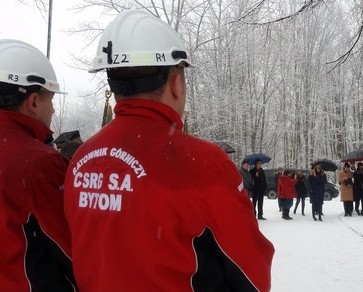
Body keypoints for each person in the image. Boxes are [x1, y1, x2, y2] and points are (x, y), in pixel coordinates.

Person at [63, 10, 274, 291]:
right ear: (176, 84)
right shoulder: (204, 163)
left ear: (114, 87)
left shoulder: (80, 160)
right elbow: (252, 273)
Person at [0, 39, 77, 290]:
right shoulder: (39, 163)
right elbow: (72, 250)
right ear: (33, 102)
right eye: (51, 101)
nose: (53, 111)